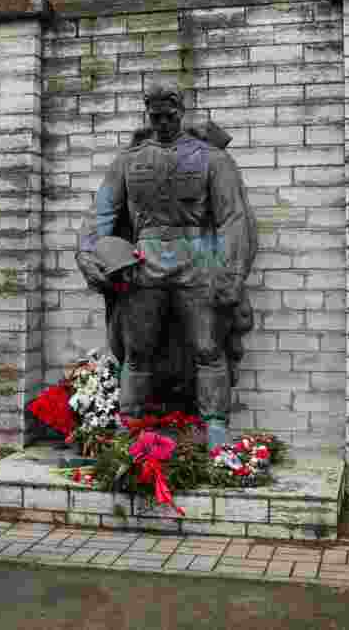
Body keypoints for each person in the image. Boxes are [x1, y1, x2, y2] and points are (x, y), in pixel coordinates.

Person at [75, 85, 257, 449]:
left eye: (168, 115)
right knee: (138, 351)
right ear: (148, 115)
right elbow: (101, 215)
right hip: (145, 263)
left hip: (198, 260)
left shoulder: (212, 159)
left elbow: (234, 218)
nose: (161, 122)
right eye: (154, 116)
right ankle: (130, 428)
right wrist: (89, 255)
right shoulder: (128, 161)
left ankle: (215, 430)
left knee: (208, 349)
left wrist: (232, 273)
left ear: (181, 111)